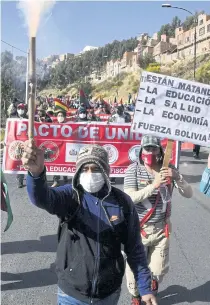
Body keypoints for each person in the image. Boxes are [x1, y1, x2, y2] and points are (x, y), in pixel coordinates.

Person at [22, 142, 157, 305]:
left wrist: (144, 288)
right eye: (84, 169)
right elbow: (42, 198)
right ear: (78, 172)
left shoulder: (122, 202)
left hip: (108, 293)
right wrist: (36, 174)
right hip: (71, 294)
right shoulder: (70, 196)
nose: (90, 173)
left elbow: (134, 247)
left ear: (106, 171)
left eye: (96, 169)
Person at [124, 135, 193, 305]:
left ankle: (150, 290)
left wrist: (177, 177)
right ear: (141, 151)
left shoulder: (168, 169)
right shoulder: (133, 170)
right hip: (138, 229)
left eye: (154, 148)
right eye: (147, 149)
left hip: (162, 228)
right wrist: (153, 185)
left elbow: (188, 193)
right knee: (135, 269)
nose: (150, 152)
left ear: (160, 151)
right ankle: (136, 296)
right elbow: (129, 199)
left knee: (159, 269)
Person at [51, 107, 69, 187]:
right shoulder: (54, 126)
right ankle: (56, 180)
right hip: (57, 148)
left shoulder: (69, 126)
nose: (60, 117)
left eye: (62, 115)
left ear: (65, 117)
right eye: (59, 115)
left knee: (64, 163)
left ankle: (65, 176)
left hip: (65, 148)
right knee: (56, 163)